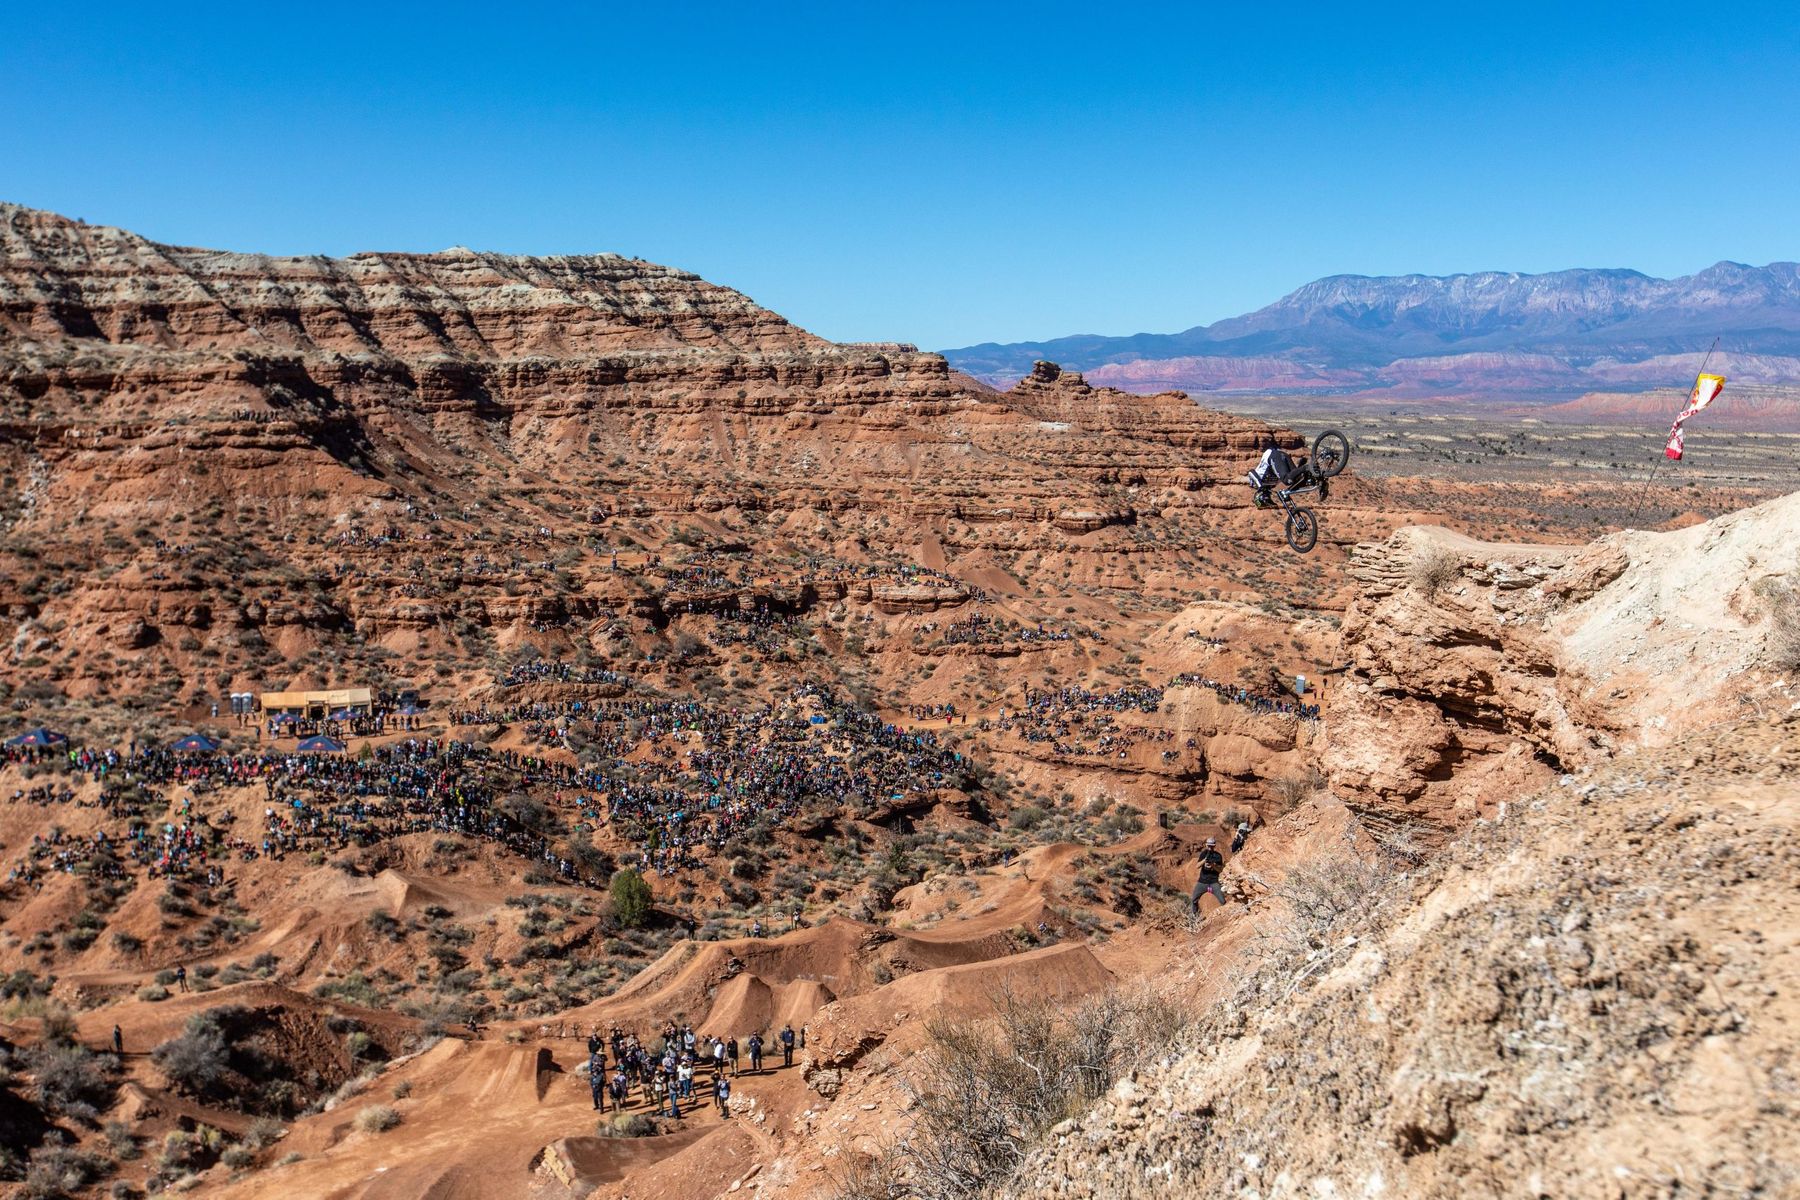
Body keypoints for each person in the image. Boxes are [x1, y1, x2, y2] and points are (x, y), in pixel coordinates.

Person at [1190, 837, 1226, 913]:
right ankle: (1194, 917)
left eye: (1212, 846)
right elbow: (1197, 866)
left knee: (1223, 901)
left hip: (1214, 882)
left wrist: (1213, 865)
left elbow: (1220, 870)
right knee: (1193, 899)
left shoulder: (1218, 856)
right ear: (1206, 845)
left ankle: (1225, 916)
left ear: (1214, 846)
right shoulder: (1203, 854)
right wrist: (1204, 860)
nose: (1210, 848)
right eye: (1209, 846)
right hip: (1202, 882)